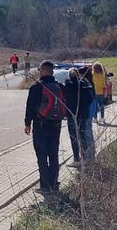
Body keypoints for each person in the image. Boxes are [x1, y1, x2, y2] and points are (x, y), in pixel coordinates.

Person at [24, 61, 65, 194]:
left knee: (41, 155)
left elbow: (30, 106)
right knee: (53, 154)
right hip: (56, 124)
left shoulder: (36, 87)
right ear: (52, 71)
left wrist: (27, 123)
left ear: (42, 70)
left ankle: (45, 186)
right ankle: (54, 183)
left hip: (40, 124)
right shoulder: (59, 86)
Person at [62, 68, 95, 167]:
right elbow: (90, 99)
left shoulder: (68, 86)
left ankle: (76, 158)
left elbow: (65, 99)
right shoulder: (85, 85)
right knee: (83, 135)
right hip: (84, 113)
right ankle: (85, 158)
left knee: (74, 137)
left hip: (72, 114)